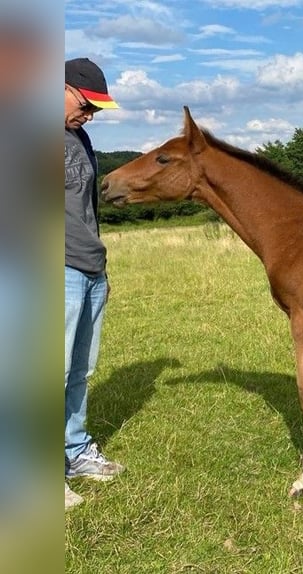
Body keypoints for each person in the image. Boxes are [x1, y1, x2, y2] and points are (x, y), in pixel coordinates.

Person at [65, 58, 123, 509]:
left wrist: (97, 263)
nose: (90, 116)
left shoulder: (80, 138)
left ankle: (75, 451)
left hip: (90, 268)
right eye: (86, 105)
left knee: (80, 370)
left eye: (96, 111)